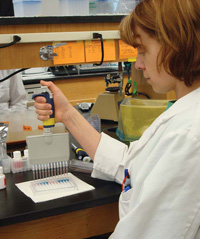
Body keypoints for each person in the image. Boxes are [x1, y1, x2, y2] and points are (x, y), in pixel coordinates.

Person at [34, 0, 200, 238]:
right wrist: (67, 114)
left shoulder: (187, 134)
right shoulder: (186, 116)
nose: (139, 64)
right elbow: (130, 167)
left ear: (176, 45)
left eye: (142, 51)